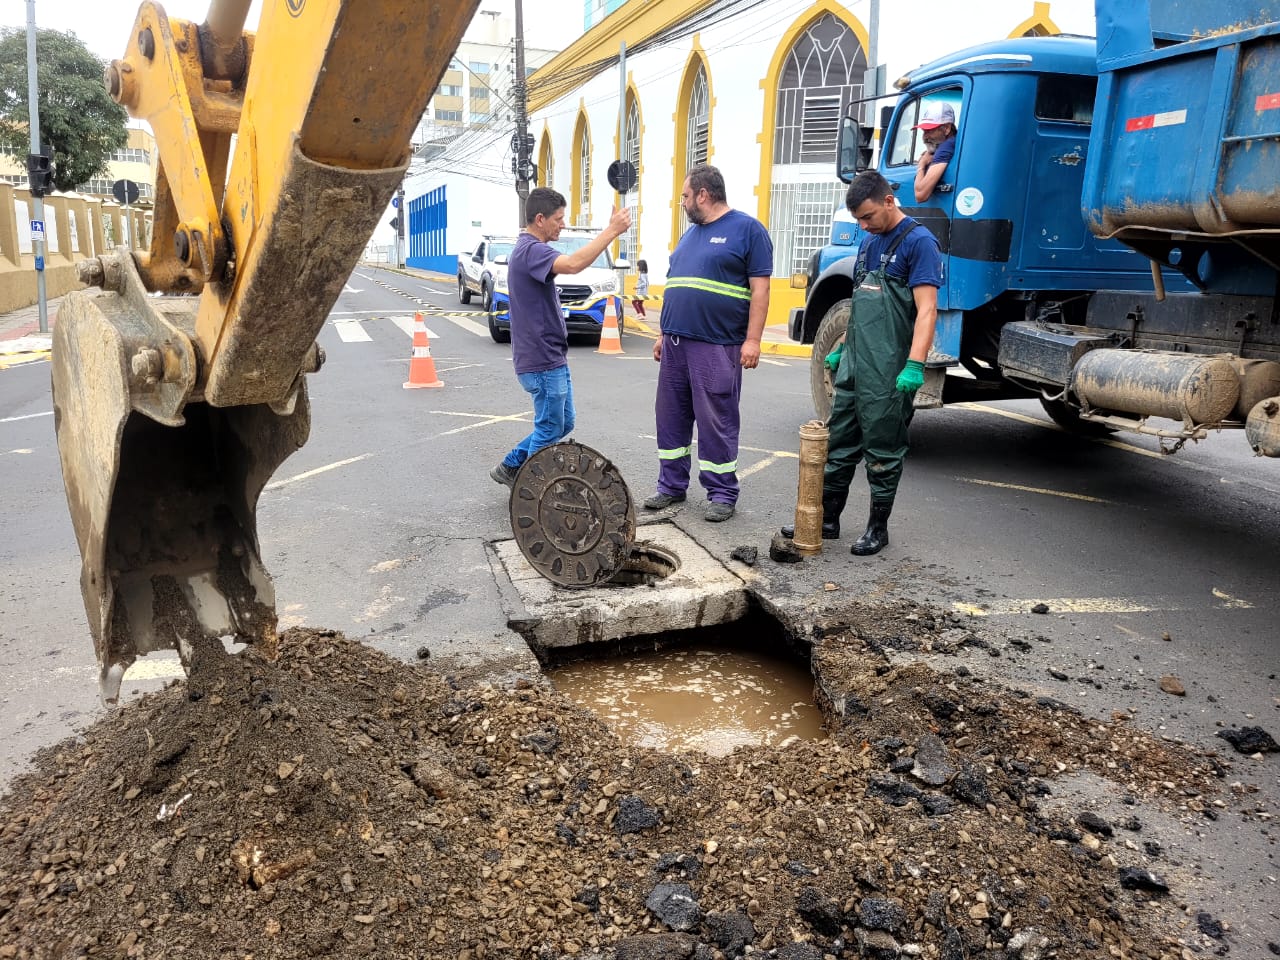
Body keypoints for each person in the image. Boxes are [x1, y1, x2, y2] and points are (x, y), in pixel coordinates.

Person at [783, 170, 941, 555]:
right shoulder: (869, 244)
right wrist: (843, 348)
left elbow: (927, 311)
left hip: (889, 371)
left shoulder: (919, 243)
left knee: (883, 451)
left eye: (868, 216)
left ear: (889, 201)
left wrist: (915, 366)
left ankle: (877, 528)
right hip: (854, 365)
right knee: (838, 443)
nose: (863, 225)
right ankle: (828, 518)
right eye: (858, 219)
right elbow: (860, 303)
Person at [643, 164, 772, 522]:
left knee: (716, 419)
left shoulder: (748, 230)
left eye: (685, 196)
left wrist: (753, 340)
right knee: (670, 418)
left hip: (717, 345)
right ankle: (671, 486)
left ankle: (722, 493)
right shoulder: (689, 236)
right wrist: (662, 333)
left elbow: (760, 290)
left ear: (703, 194)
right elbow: (676, 287)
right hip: (675, 345)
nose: (682, 203)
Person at [490, 188, 631, 488]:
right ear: (540, 219)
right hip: (541, 360)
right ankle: (536, 487)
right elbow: (573, 264)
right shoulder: (531, 250)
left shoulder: (530, 250)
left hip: (550, 356)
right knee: (550, 425)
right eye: (558, 218)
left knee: (563, 423)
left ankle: (511, 465)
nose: (562, 224)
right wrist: (612, 231)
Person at [913, 101, 956, 202]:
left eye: (929, 130)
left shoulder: (946, 147)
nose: (924, 137)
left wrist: (921, 164)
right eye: (924, 131)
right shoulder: (953, 141)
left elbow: (920, 195)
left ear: (946, 129)